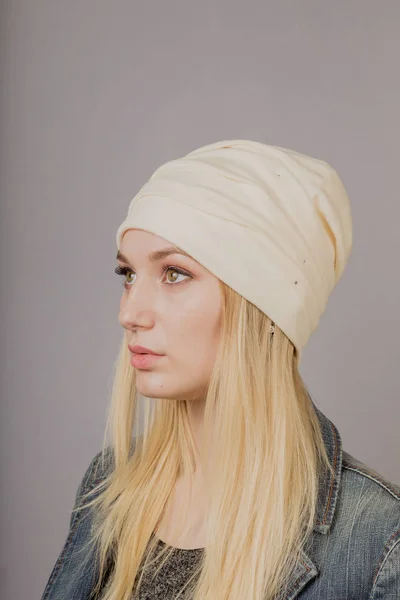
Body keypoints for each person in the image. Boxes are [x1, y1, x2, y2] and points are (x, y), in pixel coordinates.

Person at [41, 139, 400, 600]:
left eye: (173, 273)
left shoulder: (378, 541)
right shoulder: (110, 485)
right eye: (128, 275)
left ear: (264, 307)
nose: (130, 312)